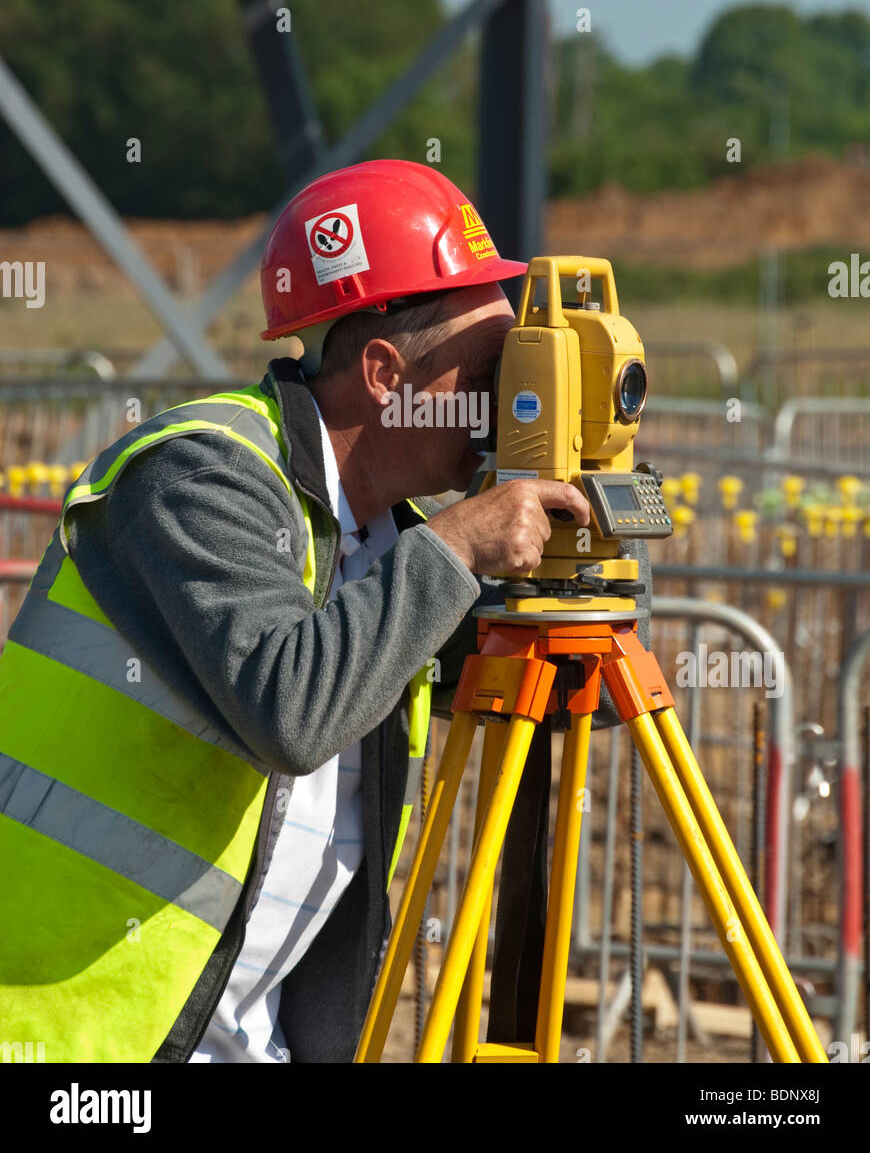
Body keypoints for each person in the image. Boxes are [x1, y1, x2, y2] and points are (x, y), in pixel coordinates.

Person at [0, 159, 646, 1063]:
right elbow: (291, 708)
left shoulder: (387, 541)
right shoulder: (202, 476)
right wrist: (460, 545)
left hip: (245, 1037)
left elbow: (594, 698)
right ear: (386, 372)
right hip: (69, 1032)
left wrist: (592, 548)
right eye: (493, 367)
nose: (509, 397)